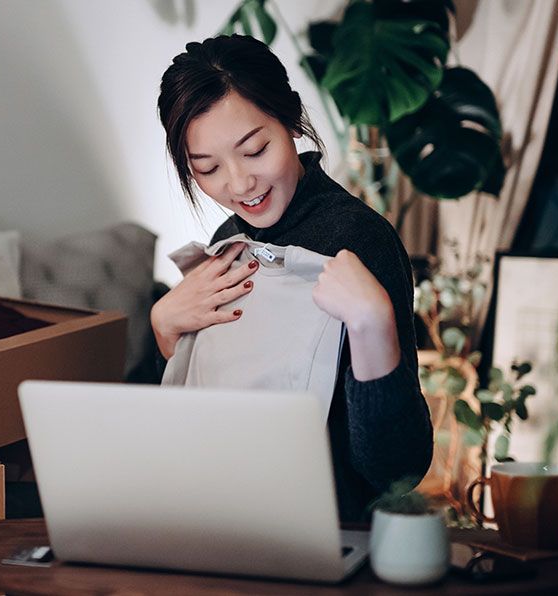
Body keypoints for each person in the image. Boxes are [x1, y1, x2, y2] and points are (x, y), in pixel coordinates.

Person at [152, 35, 432, 521]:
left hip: (326, 534)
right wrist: (165, 327)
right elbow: (206, 416)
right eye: (208, 168)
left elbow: (395, 472)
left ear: (292, 119)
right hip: (217, 520)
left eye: (255, 150)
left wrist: (374, 327)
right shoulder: (227, 238)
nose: (239, 185)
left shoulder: (361, 240)